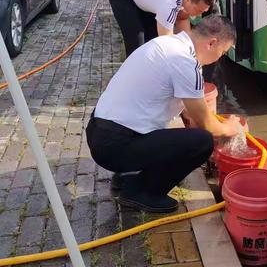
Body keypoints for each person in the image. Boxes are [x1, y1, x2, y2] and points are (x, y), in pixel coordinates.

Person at [86, 15, 241, 213]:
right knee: (202, 142)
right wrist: (231, 127)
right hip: (114, 145)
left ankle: (130, 176)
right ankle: (142, 193)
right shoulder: (185, 62)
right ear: (212, 43)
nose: (220, 58)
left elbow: (189, 109)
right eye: (223, 52)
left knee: (182, 138)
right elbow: (207, 126)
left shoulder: (167, 43)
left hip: (101, 133)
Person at [108, 0, 216, 56]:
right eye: (198, 11)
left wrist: (190, 53)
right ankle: (133, 77)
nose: (198, 15)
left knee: (152, 40)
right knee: (137, 43)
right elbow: (166, 43)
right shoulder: (170, 1)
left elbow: (183, 23)